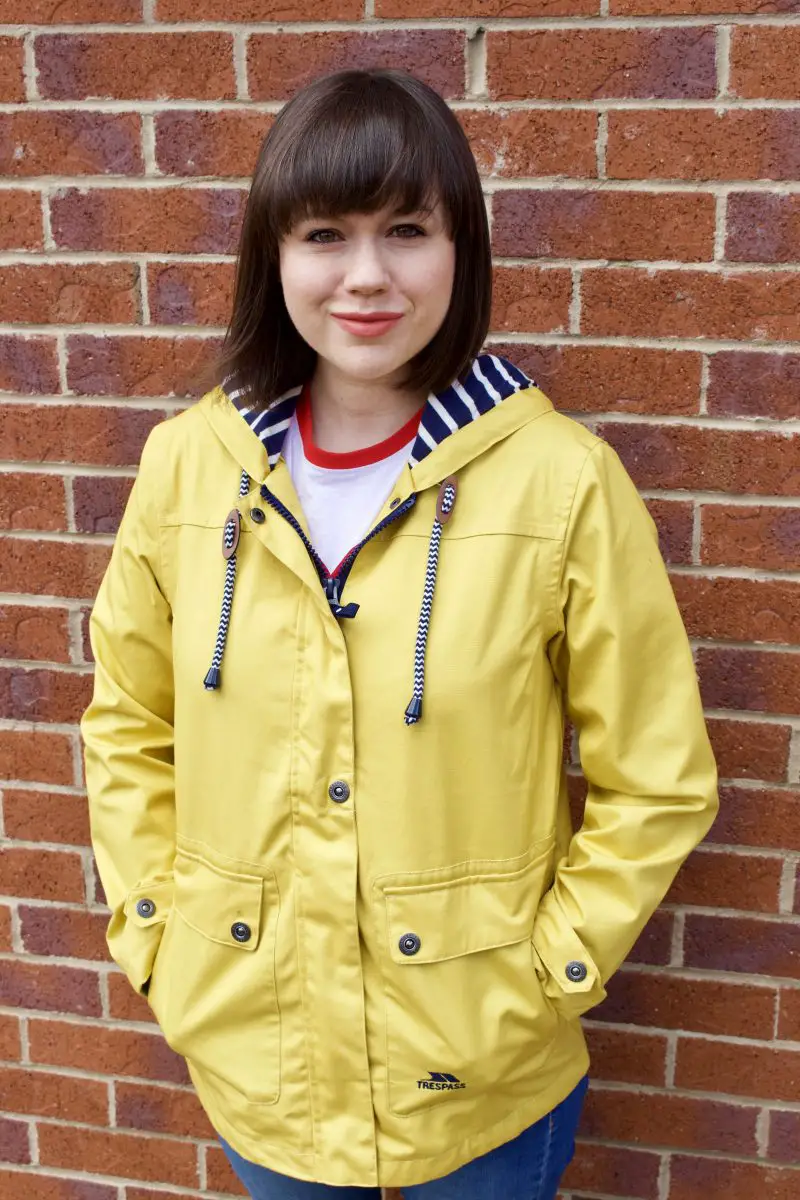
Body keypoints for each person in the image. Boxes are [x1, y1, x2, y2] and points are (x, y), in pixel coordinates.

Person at [81, 68, 719, 1200]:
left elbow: (656, 780)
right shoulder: (188, 470)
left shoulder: (560, 483)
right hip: (258, 1058)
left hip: (479, 1074)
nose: (366, 276)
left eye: (407, 230)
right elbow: (129, 725)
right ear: (272, 258)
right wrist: (156, 939)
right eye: (324, 233)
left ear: (459, 250)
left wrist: (544, 976)